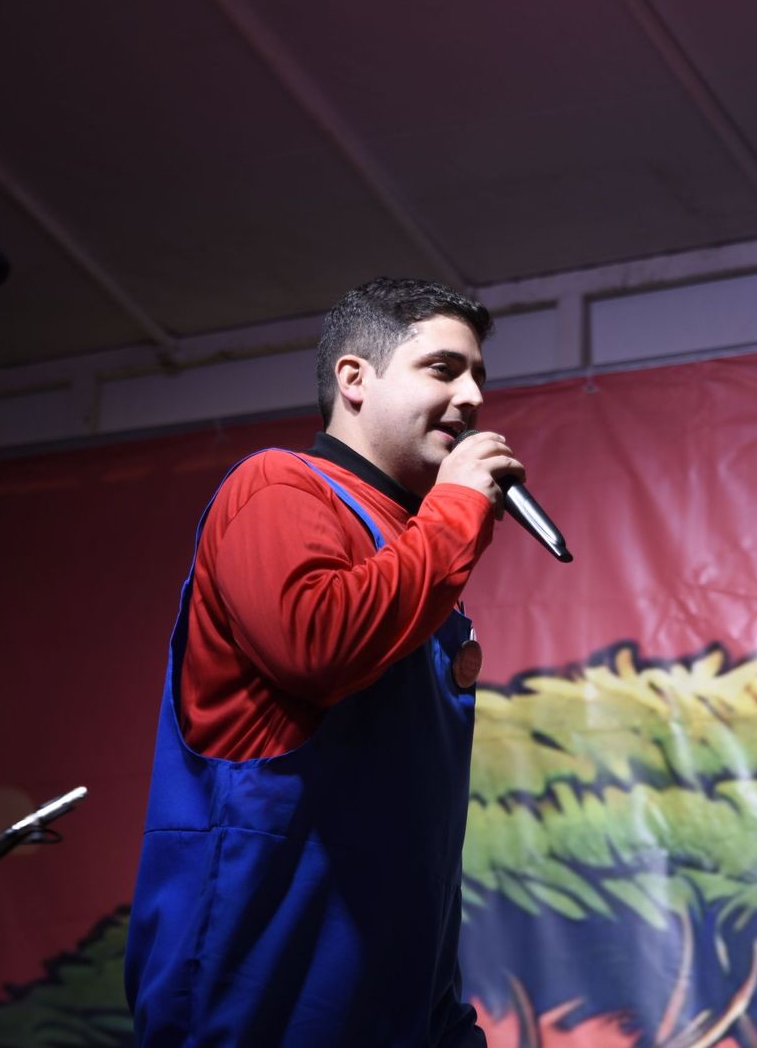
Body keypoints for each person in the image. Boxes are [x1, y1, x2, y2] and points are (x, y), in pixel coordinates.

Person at [125, 277, 523, 1046]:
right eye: (444, 369)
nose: (474, 397)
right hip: (268, 994)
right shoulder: (277, 485)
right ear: (354, 379)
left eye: (479, 376)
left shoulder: (415, 544)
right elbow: (317, 646)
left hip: (404, 997)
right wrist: (456, 513)